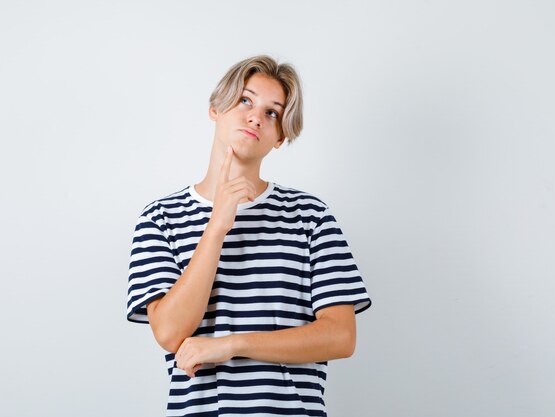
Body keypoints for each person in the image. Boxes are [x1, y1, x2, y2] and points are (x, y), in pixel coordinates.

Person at [127, 54, 372, 417]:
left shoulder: (310, 216)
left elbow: (341, 336)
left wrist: (232, 345)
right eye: (245, 100)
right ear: (215, 107)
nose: (257, 116)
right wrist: (217, 226)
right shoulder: (160, 218)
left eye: (272, 112)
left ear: (279, 137)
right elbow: (169, 332)